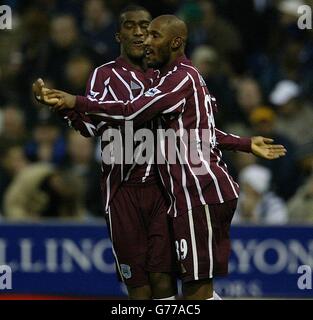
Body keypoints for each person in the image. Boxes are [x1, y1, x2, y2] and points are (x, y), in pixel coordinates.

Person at [38, 15, 286, 300]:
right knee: (178, 289)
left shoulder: (177, 77)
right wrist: (243, 143)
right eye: (138, 30)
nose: (145, 39)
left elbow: (132, 110)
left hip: (197, 189)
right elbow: (197, 130)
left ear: (176, 42)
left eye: (153, 34)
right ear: (117, 35)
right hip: (161, 191)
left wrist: (75, 100)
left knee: (194, 291)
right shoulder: (123, 75)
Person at [33, 6, 177, 300]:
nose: (138, 32)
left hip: (163, 188)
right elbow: (88, 129)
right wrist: (63, 106)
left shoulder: (169, 75)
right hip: (121, 189)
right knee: (138, 285)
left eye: (145, 26)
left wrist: (76, 102)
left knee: (163, 279)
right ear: (117, 34)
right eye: (130, 26)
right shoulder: (104, 76)